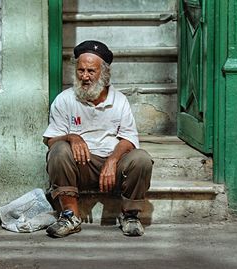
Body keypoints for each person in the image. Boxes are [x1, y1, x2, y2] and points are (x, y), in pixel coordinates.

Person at [43, 40, 153, 238]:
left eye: (91, 71)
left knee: (141, 158)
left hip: (112, 168)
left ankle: (130, 215)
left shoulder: (119, 100)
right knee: (58, 150)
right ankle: (70, 216)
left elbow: (129, 139)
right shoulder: (65, 99)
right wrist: (71, 137)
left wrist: (113, 160)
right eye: (80, 70)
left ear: (104, 73)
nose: (84, 77)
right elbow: (50, 139)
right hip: (79, 166)